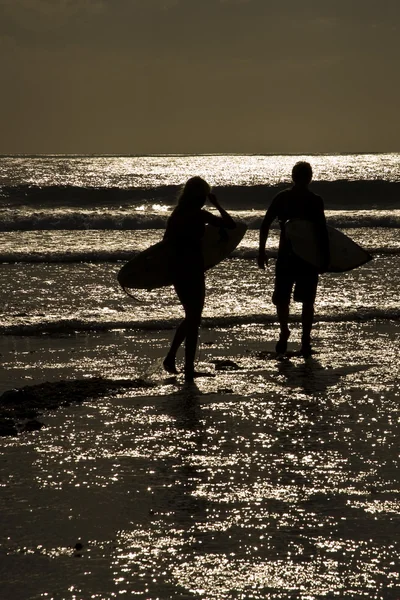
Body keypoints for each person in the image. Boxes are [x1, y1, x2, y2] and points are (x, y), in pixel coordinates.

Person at [163, 176, 235, 381]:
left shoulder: (177, 215)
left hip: (180, 269)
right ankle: (186, 369)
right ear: (199, 196)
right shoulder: (198, 214)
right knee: (193, 318)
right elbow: (231, 224)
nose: (205, 199)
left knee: (192, 316)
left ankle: (172, 359)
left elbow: (165, 244)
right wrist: (217, 204)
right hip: (191, 269)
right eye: (204, 195)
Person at [257, 161, 330, 357]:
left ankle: (284, 331)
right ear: (310, 177)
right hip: (307, 258)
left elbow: (264, 224)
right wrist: (325, 257)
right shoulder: (315, 200)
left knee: (282, 299)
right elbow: (321, 232)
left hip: (286, 257)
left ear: (292, 176)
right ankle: (305, 342)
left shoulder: (283, 198)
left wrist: (261, 250)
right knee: (307, 301)